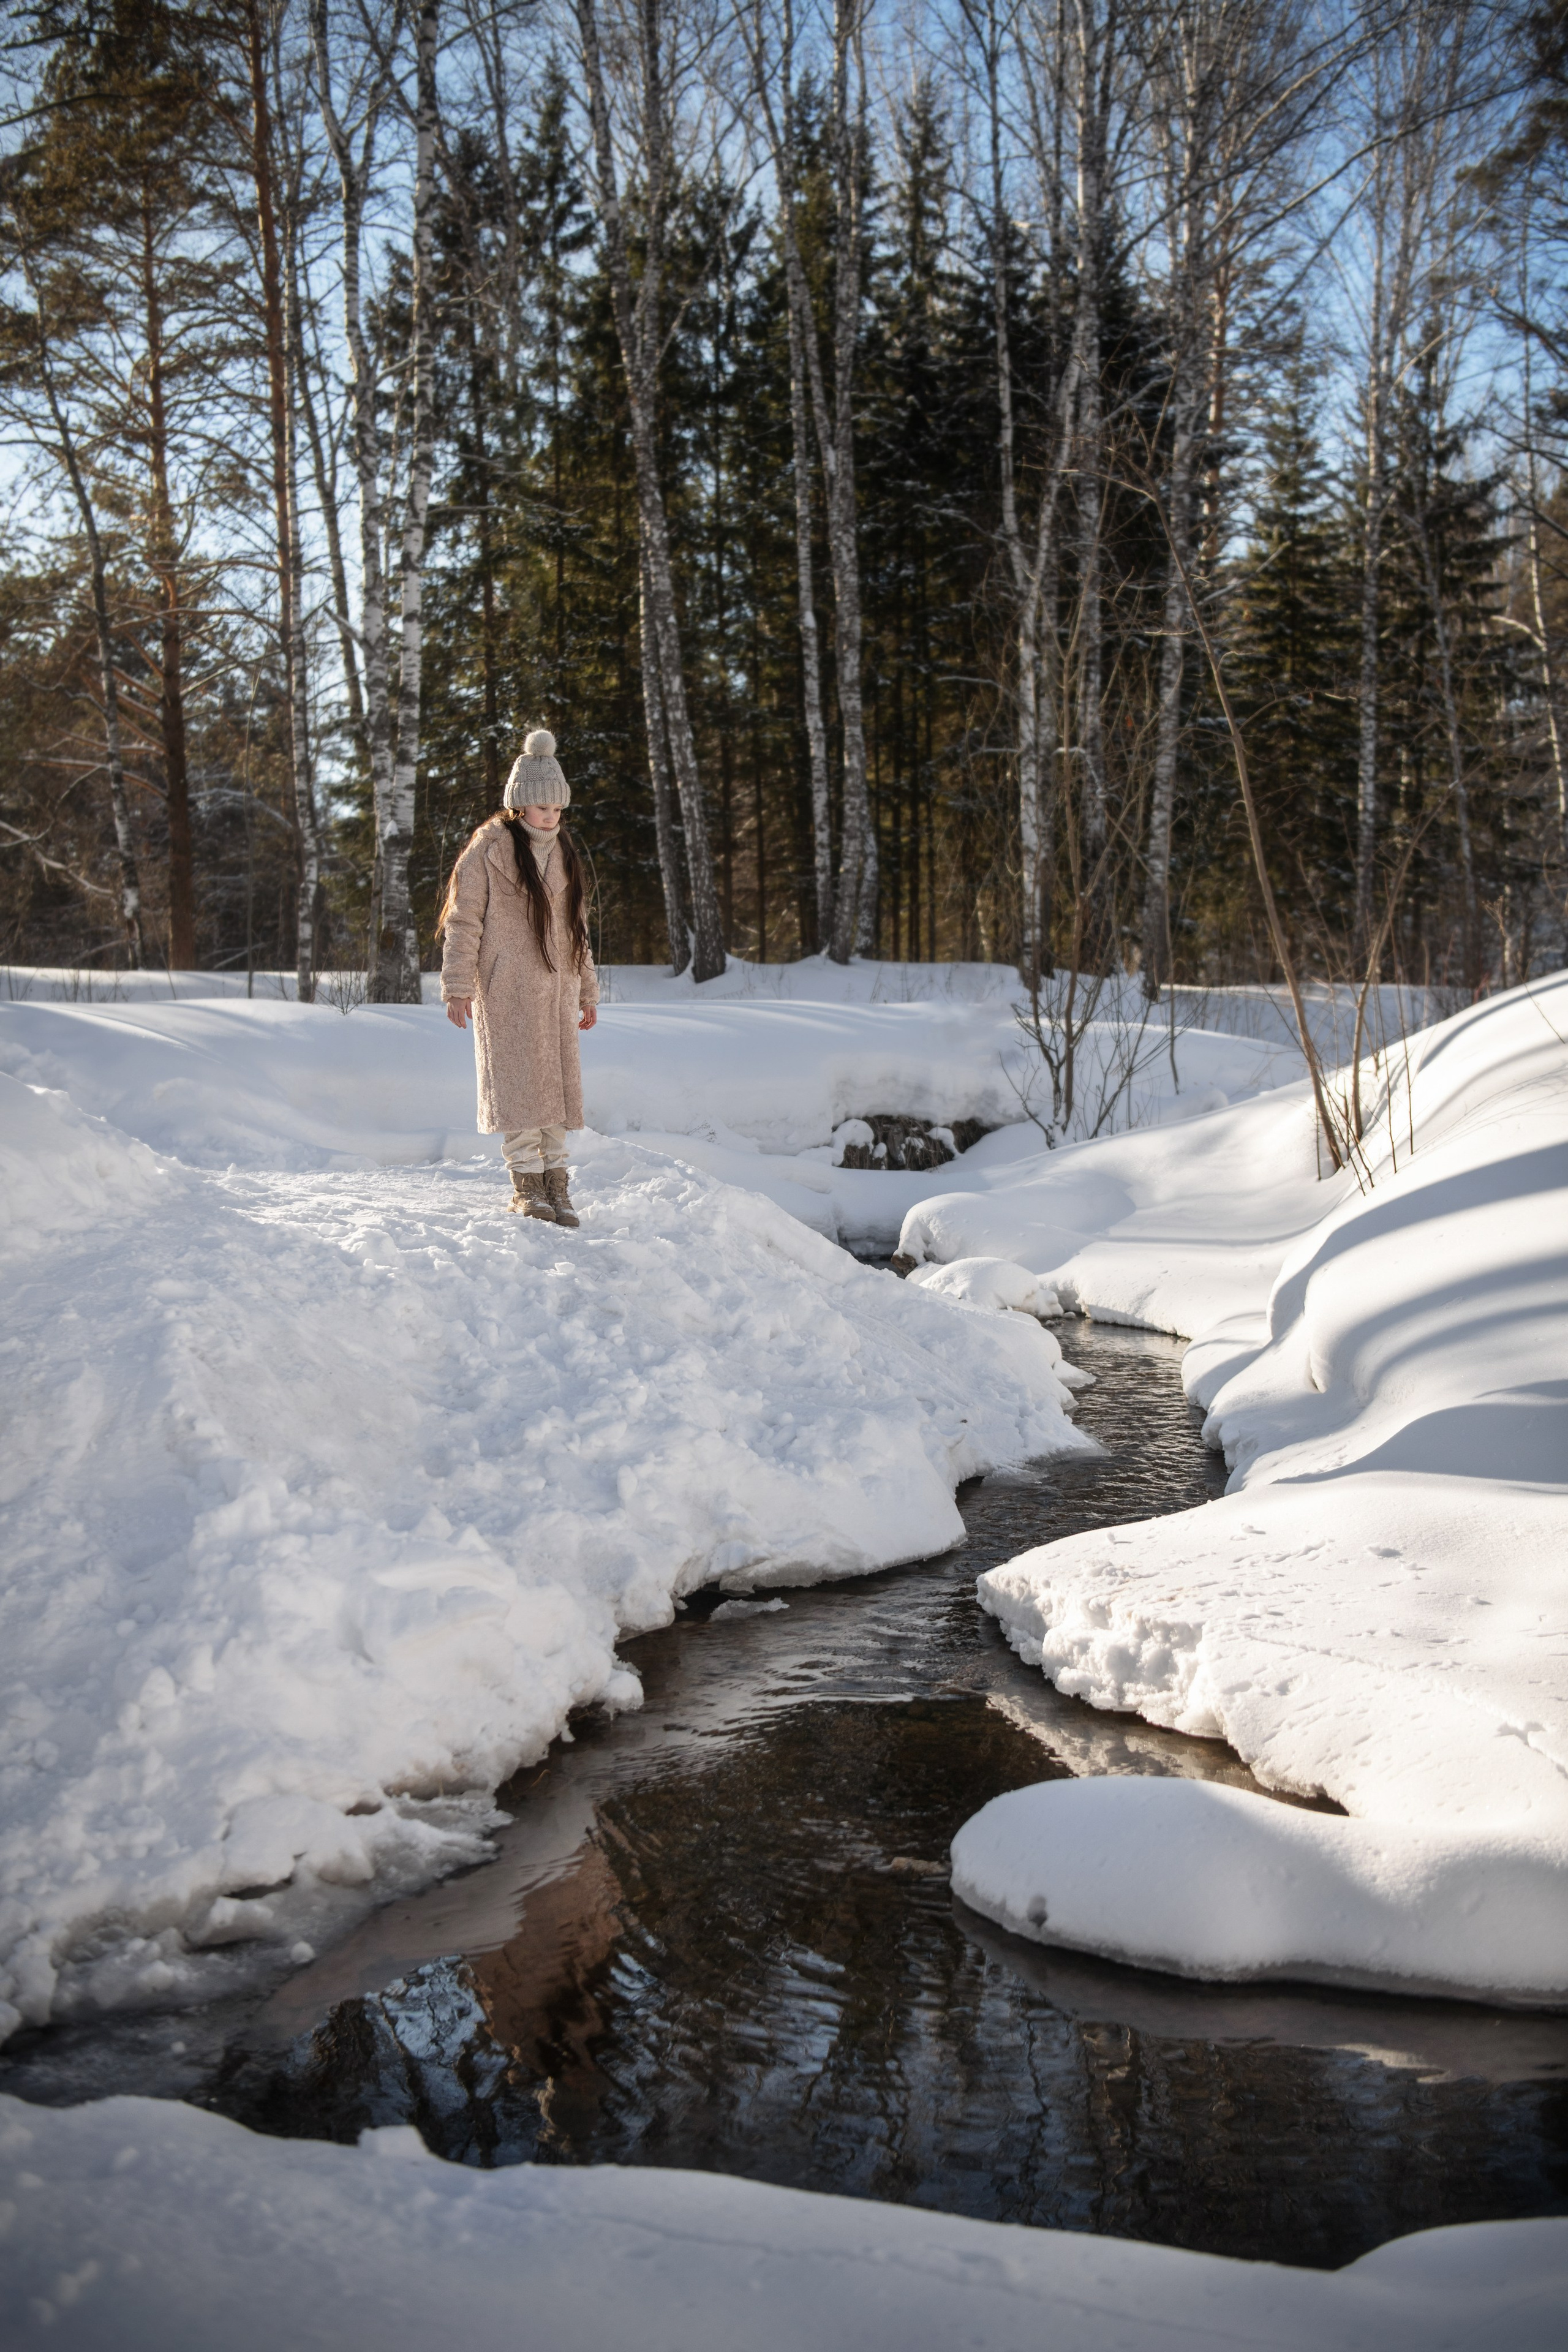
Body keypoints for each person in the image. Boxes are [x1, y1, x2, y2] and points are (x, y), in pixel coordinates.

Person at [439, 729, 598, 1224]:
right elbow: (463, 921)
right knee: (521, 1087)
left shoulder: (565, 853)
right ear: (519, 805)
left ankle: (557, 1181)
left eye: (557, 808)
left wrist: (589, 991)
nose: (551, 816)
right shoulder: (488, 851)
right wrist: (458, 986)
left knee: (555, 1090)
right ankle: (527, 1183)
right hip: (507, 988)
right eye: (542, 807)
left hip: (556, 989)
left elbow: (578, 929)